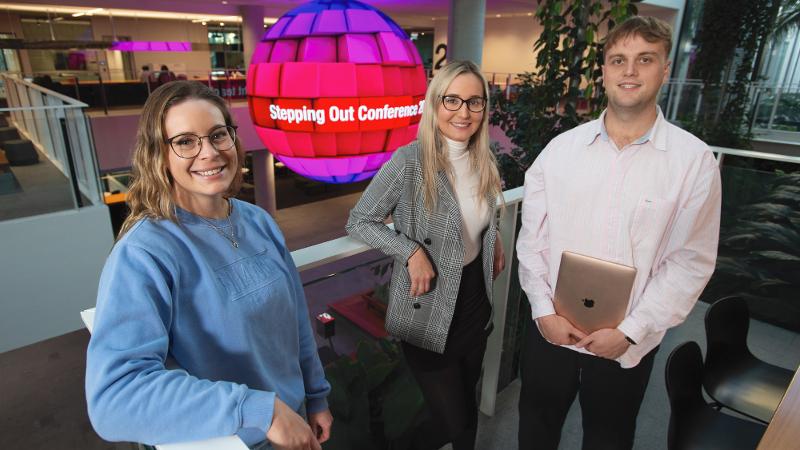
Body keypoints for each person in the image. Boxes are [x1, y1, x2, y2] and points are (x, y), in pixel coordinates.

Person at [85, 81, 333, 450]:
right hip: (230, 440)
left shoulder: (257, 221)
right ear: (159, 154)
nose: (209, 153)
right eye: (185, 141)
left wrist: (316, 396)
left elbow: (294, 319)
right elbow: (114, 398)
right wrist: (259, 411)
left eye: (218, 135)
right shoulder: (144, 252)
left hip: (294, 427)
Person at [516, 16, 722, 450]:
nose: (629, 71)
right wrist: (542, 310)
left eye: (644, 59)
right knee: (535, 430)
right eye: (618, 60)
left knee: (609, 438)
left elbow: (690, 262)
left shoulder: (693, 163)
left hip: (625, 343)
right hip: (551, 329)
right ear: (604, 72)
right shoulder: (560, 151)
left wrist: (631, 330)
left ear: (664, 70)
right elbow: (531, 240)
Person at [346, 60, 505, 450]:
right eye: (452, 100)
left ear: (484, 108)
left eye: (474, 102)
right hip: (429, 310)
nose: (463, 112)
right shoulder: (409, 162)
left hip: (474, 301)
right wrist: (410, 249)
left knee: (465, 399)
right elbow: (359, 220)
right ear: (434, 105)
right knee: (455, 420)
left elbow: (485, 214)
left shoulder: (484, 159)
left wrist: (493, 235)